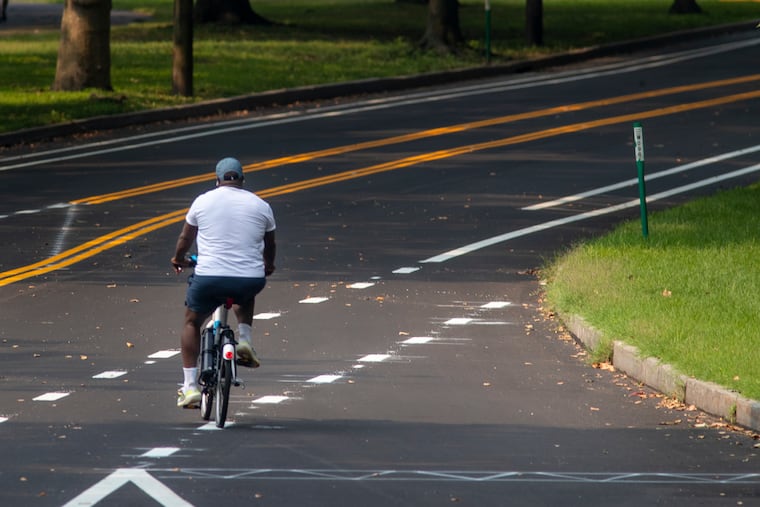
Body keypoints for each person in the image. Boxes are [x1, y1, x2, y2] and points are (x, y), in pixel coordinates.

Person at [171, 157, 276, 408]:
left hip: (210, 278)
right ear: (242, 180)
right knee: (245, 291)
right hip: (250, 279)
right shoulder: (261, 205)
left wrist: (178, 258)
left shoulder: (203, 200)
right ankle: (245, 340)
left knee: (192, 321)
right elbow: (270, 245)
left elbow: (186, 237)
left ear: (217, 180)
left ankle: (191, 387)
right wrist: (267, 266)